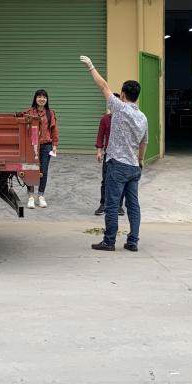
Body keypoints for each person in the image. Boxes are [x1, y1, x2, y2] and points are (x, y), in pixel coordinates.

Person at [79, 56, 148, 252]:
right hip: (134, 166)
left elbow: (103, 85)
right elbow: (144, 142)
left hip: (117, 164)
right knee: (133, 206)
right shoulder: (143, 117)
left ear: (123, 94)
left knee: (111, 204)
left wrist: (91, 66)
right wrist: (140, 160)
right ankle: (133, 241)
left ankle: (109, 241)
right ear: (137, 96)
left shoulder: (119, 107)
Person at [23, 89, 58, 209]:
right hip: (31, 146)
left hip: (46, 145)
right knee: (30, 170)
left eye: (44, 97)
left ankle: (41, 196)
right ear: (35, 98)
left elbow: (54, 130)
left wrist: (55, 145)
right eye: (39, 97)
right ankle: (31, 197)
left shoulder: (50, 113)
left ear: (47, 99)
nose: (42, 99)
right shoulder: (29, 112)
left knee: (44, 171)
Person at [95, 96, 125, 217]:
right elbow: (100, 135)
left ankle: (119, 206)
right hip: (109, 154)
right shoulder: (105, 119)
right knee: (106, 180)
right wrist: (99, 151)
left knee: (120, 180)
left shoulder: (125, 118)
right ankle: (103, 204)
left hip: (122, 155)